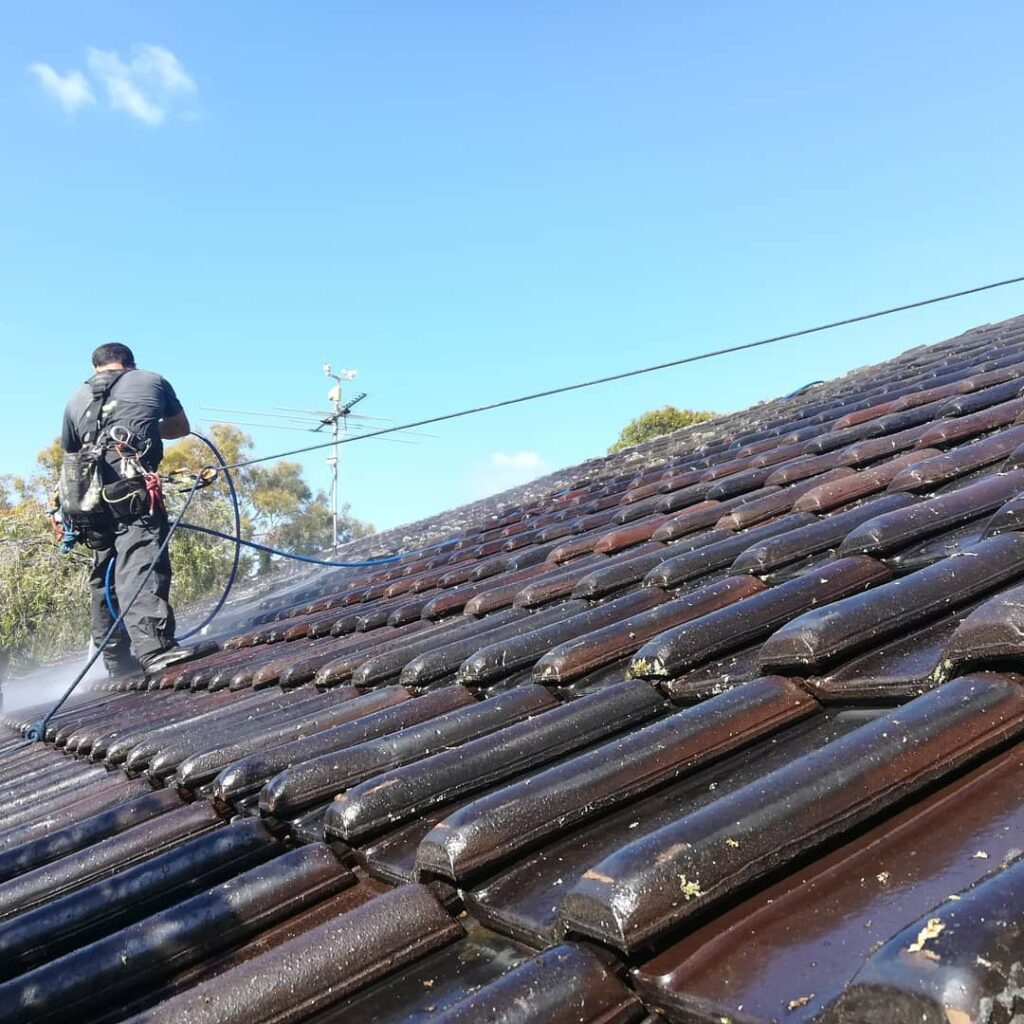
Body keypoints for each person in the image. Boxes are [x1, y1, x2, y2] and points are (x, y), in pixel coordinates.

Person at [61, 343, 195, 677]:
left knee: (105, 568)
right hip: (129, 485)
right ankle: (155, 649)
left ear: (95, 368)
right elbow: (180, 427)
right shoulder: (151, 380)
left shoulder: (75, 397)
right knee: (140, 557)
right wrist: (149, 427)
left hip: (86, 495)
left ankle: (115, 660)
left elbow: (71, 451)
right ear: (130, 363)